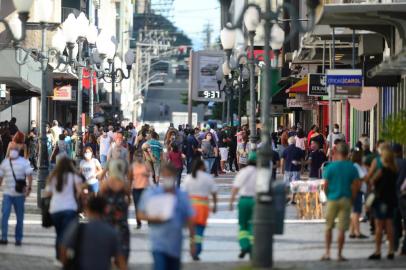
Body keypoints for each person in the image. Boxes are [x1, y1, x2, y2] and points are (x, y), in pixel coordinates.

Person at [137, 163, 196, 269]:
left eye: (170, 176)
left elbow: (190, 219)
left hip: (175, 245)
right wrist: (155, 218)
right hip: (158, 244)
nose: (168, 178)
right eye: (166, 176)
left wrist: (192, 243)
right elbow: (140, 214)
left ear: (175, 176)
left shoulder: (182, 196)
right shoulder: (153, 193)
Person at [60, 196, 127, 270]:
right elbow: (120, 259)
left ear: (88, 207)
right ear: (105, 210)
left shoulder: (78, 226)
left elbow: (63, 247)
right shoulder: (111, 231)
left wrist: (66, 265)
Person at [321, 143, 361, 261]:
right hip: (346, 199)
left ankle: (327, 252)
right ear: (347, 153)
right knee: (342, 229)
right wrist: (352, 198)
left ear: (336, 153)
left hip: (332, 199)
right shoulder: (352, 167)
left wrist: (328, 196)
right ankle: (339, 254)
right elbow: (356, 185)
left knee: (328, 227)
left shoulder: (330, 167)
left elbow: (325, 185)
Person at [44, 157, 83, 260]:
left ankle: (58, 257)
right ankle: (66, 256)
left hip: (55, 209)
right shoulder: (74, 176)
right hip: (70, 208)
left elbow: (47, 193)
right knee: (67, 234)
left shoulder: (53, 177)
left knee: (59, 233)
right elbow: (80, 191)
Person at [183, 159, 217, 260]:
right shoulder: (207, 178)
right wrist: (215, 205)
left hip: (190, 207)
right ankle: (197, 250)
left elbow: (184, 194)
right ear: (202, 167)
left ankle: (192, 249)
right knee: (200, 231)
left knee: (191, 231)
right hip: (203, 208)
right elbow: (214, 192)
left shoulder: (188, 178)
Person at [0, 143, 33, 245]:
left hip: (19, 195)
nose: (13, 151)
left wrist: (29, 188)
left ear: (18, 151)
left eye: (15, 149)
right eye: (11, 149)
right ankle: (4, 237)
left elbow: (29, 175)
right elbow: (0, 178)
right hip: (7, 194)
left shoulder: (24, 162)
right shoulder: (5, 163)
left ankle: (18, 239)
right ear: (9, 150)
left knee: (19, 217)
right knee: (4, 216)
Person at [368, 147, 398, 260]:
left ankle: (378, 251)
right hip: (391, 199)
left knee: (379, 226)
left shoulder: (383, 170)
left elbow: (372, 181)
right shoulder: (394, 170)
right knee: (389, 225)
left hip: (381, 199)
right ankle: (391, 250)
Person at [100, 159, 131, 262]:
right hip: (121, 214)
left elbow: (100, 197)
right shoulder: (124, 183)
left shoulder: (106, 183)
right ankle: (121, 259)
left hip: (108, 214)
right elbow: (128, 198)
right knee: (123, 237)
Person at [229, 151, 257, 259]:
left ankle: (244, 245)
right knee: (253, 225)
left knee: (243, 225)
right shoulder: (261, 173)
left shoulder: (243, 172)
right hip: (256, 202)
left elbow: (235, 188)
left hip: (244, 201)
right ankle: (252, 247)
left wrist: (231, 202)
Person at [349, 149, 368, 239]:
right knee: (357, 212)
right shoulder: (356, 166)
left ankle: (352, 231)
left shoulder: (361, 166)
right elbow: (363, 177)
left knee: (355, 211)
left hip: (360, 191)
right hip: (357, 191)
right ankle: (357, 232)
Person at [393, 144, 406, 255]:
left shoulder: (390, 164)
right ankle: (404, 247)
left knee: (395, 220)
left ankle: (395, 244)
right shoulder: (405, 163)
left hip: (392, 195)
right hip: (403, 195)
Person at [130, 161, 151, 229]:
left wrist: (146, 174)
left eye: (140, 155)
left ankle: (149, 222)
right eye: (137, 155)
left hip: (144, 188)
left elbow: (150, 173)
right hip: (135, 188)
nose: (139, 157)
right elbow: (130, 177)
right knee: (137, 206)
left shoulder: (145, 164)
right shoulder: (133, 166)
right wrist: (129, 188)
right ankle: (138, 223)